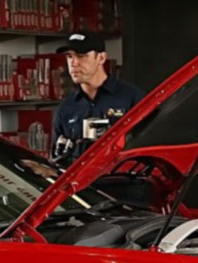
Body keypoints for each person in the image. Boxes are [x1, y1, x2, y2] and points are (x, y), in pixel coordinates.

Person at [52, 31, 146, 167]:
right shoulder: (66, 109)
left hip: (123, 183)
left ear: (101, 58)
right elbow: (57, 160)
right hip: (80, 186)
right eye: (69, 56)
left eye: (81, 56)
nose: (74, 63)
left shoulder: (132, 98)